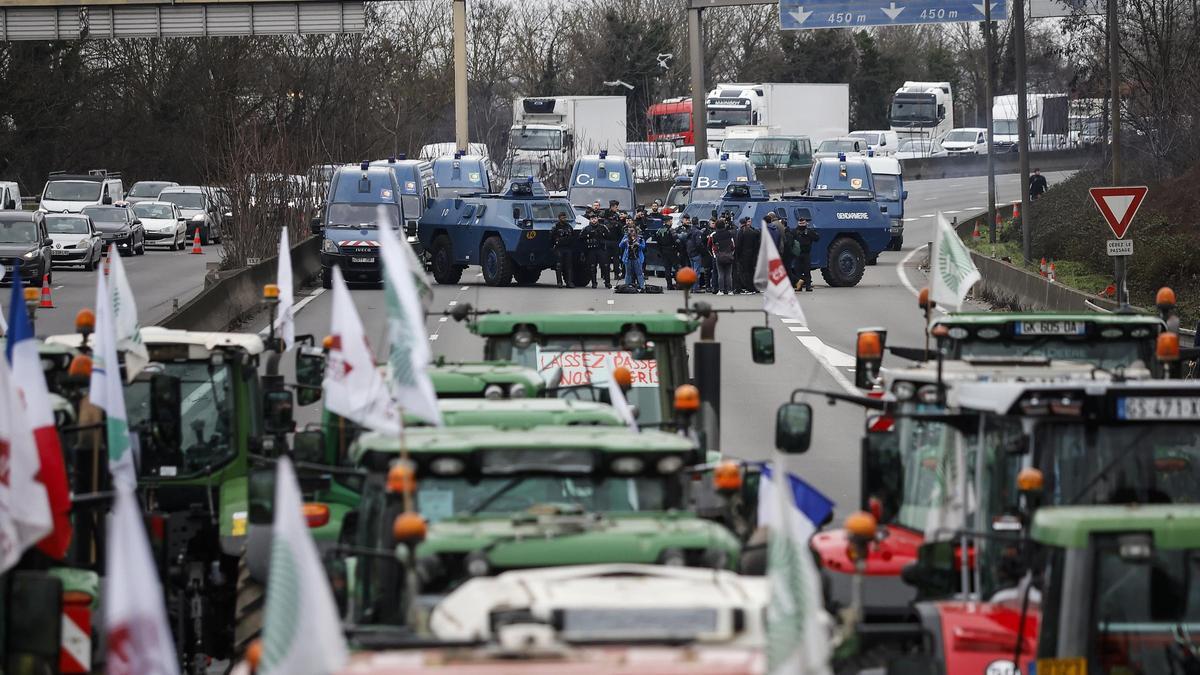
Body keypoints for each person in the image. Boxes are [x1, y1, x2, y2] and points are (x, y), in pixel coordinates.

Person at [790, 210, 820, 292]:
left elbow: (817, 238)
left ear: (806, 223)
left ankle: (808, 285)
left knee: (807, 271)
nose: (802, 225)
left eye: (803, 223)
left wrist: (810, 233)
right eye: (800, 223)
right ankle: (799, 286)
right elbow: (791, 240)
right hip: (798, 254)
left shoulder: (809, 231)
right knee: (797, 270)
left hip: (806, 253)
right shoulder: (795, 231)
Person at [582, 215, 611, 289]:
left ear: (597, 219)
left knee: (605, 266)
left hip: (601, 249)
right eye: (592, 219)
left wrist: (601, 235)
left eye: (595, 218)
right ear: (590, 220)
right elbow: (581, 238)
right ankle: (594, 282)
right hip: (591, 250)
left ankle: (607, 282)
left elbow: (609, 236)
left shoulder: (602, 227)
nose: (594, 220)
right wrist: (588, 235)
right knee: (592, 267)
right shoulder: (586, 228)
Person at [712, 219, 737, 296]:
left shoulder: (714, 235)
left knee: (721, 274)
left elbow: (714, 247)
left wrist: (716, 255)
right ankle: (730, 290)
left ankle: (721, 290)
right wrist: (731, 253)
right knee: (729, 274)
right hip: (729, 255)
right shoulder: (729, 234)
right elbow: (733, 245)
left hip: (719, 256)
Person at [550, 212, 576, 288]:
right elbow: (551, 237)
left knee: (569, 265)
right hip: (559, 248)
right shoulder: (556, 227)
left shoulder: (568, 227)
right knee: (559, 265)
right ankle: (559, 282)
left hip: (568, 248)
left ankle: (569, 282)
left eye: (565, 217)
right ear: (559, 218)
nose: (564, 219)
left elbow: (573, 237)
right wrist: (553, 246)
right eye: (562, 217)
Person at [619, 224, 646, 290]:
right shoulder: (626, 237)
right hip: (628, 258)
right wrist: (624, 241)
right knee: (628, 273)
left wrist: (638, 244)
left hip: (637, 257)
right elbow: (620, 245)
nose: (631, 232)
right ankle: (627, 286)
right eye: (629, 231)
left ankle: (642, 286)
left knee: (639, 273)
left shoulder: (640, 238)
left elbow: (643, 247)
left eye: (632, 231)